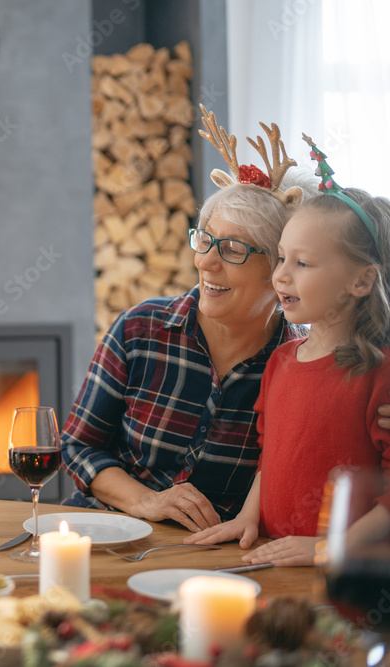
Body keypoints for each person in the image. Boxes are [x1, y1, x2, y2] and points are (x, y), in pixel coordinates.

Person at [60, 109, 315, 532]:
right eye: (206, 240)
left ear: (279, 270)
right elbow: (78, 445)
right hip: (105, 531)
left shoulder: (299, 363)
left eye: (233, 249)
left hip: (212, 556)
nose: (207, 262)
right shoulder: (140, 328)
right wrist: (146, 501)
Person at [185, 139, 390, 565]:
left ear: (361, 281)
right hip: (271, 555)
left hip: (341, 570)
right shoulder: (281, 361)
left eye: (303, 264)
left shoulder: (377, 373)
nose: (280, 276)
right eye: (280, 259)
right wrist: (248, 517)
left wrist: (327, 549)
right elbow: (270, 456)